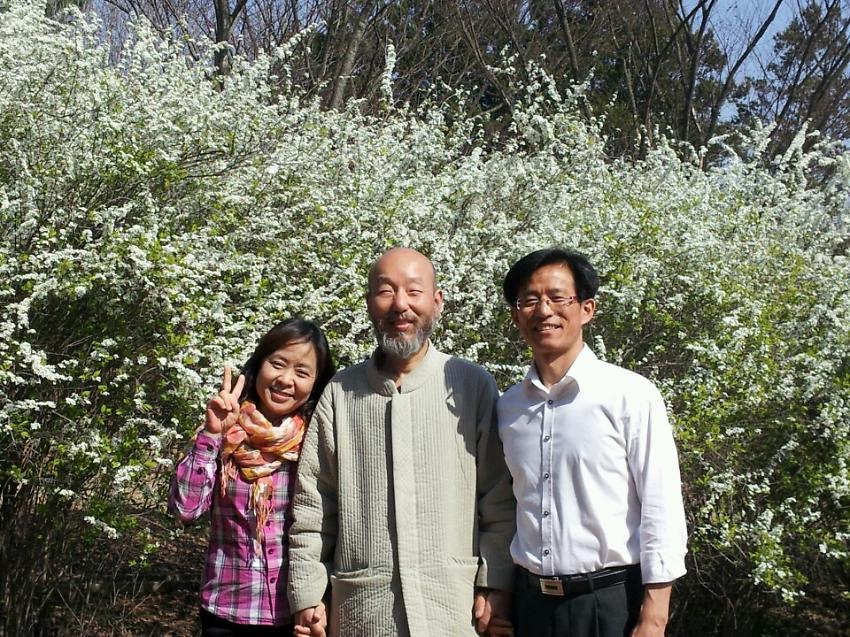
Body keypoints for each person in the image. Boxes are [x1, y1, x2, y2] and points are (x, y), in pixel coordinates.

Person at [287, 247, 516, 637]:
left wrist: (497, 582)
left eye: (414, 291)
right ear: (369, 303)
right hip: (363, 613)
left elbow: (499, 498)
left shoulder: (471, 384)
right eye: (386, 291)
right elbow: (313, 506)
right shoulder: (341, 392)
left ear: (437, 301)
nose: (400, 305)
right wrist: (307, 595)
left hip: (453, 611)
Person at [497, 248, 688, 637]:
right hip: (530, 605)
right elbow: (503, 507)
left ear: (587, 309)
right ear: (517, 316)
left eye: (558, 297)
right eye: (529, 300)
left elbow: (661, 504)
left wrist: (655, 614)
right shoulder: (508, 407)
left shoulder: (629, 395)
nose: (544, 310)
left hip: (608, 603)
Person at [168, 318, 335, 636]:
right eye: (278, 364)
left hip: (296, 613)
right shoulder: (225, 431)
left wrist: (322, 599)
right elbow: (185, 509)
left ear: (316, 384)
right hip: (227, 610)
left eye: (302, 373)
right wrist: (211, 434)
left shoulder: (317, 442)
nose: (286, 380)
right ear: (259, 366)